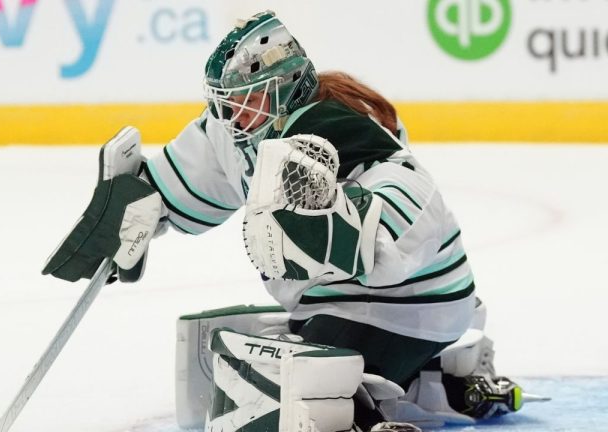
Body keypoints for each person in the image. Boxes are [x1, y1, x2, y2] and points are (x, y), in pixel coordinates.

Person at [42, 10, 530, 432]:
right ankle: (441, 382)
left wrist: (356, 227)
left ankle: (368, 412)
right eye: (225, 99)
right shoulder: (232, 131)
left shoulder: (334, 125)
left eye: (245, 98)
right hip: (336, 302)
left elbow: (411, 190)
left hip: (410, 301)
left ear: (285, 86)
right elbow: (180, 182)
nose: (231, 111)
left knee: (289, 386)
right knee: (223, 355)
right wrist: (139, 205)